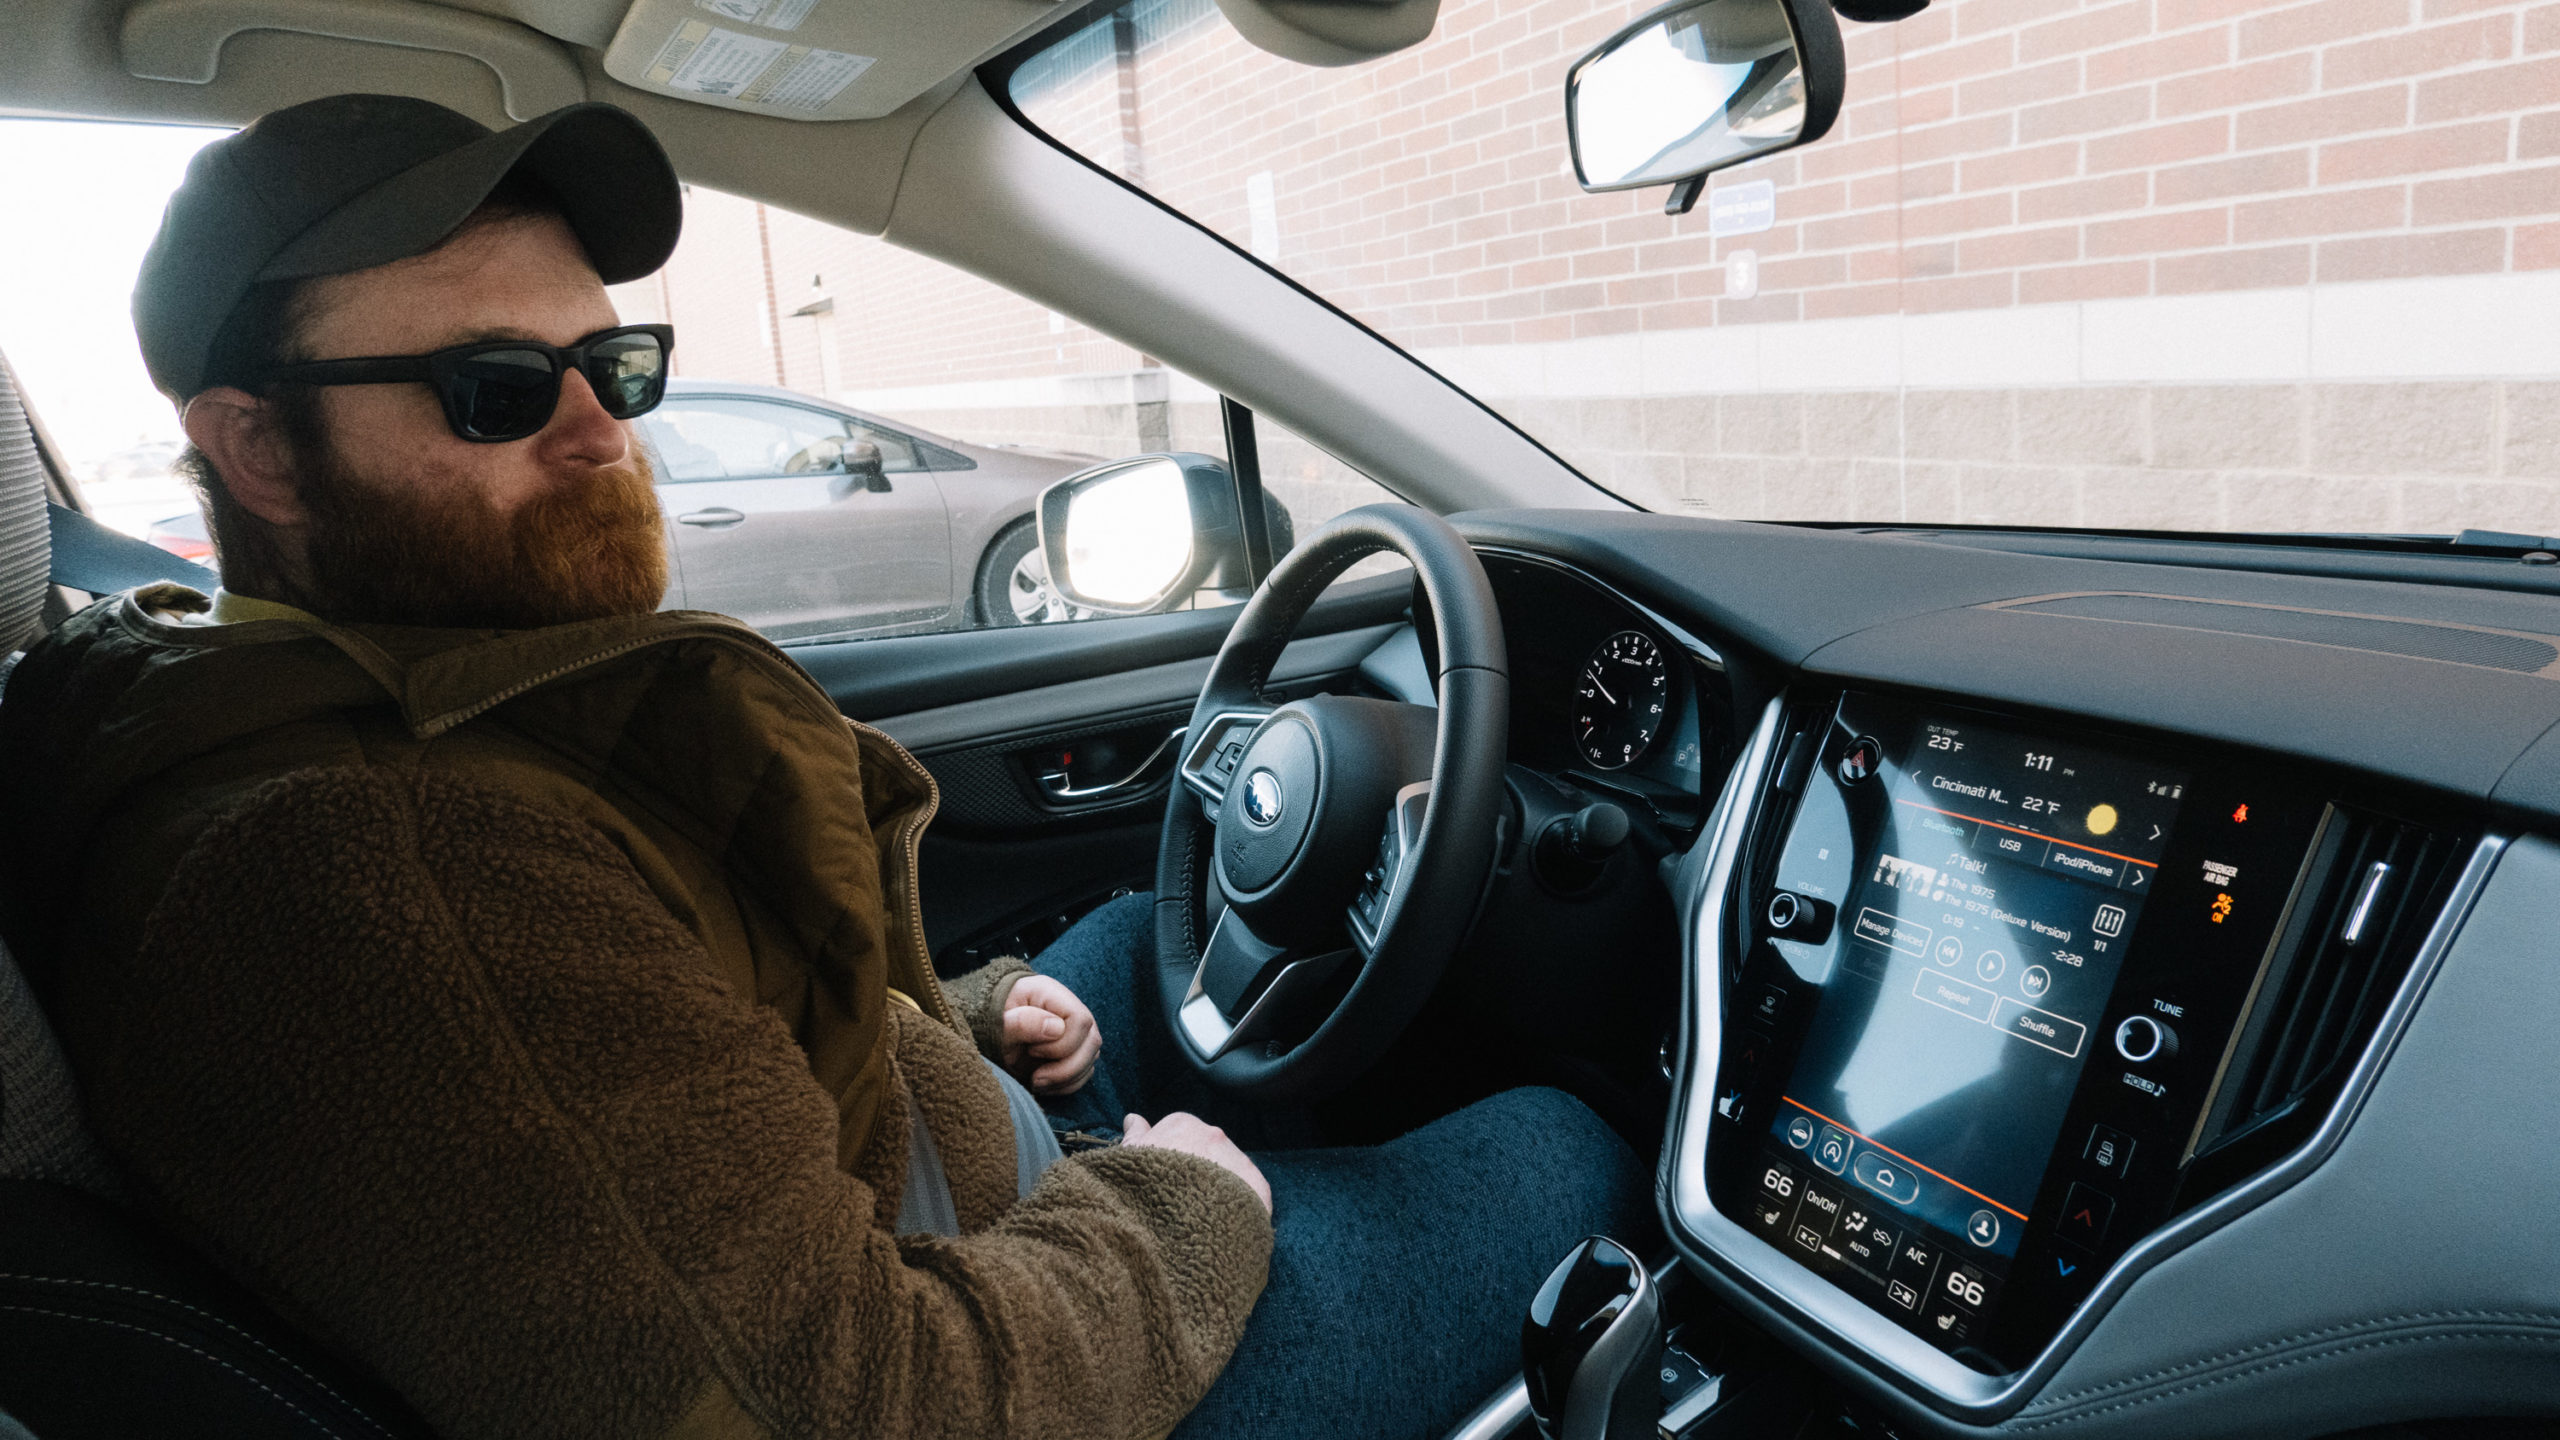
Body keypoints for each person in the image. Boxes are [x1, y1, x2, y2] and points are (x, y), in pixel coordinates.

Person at [0, 94, 1649, 1439]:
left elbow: (647, 1032)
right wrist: (1180, 1211)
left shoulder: (299, 699)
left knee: (1137, 970)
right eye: (494, 390)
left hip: (942, 1165)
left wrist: (963, 1001)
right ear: (259, 447)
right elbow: (863, 1407)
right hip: (1014, 1343)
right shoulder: (374, 869)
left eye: (615, 366)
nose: (599, 431)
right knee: (1565, 1144)